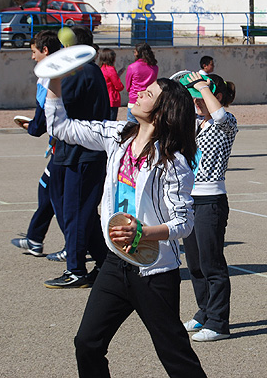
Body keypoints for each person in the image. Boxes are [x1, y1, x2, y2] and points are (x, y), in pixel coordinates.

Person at [44, 76, 207, 377]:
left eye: (148, 94)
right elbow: (61, 127)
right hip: (115, 264)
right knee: (87, 344)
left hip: (154, 272)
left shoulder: (173, 162)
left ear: (162, 111)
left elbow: (184, 223)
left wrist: (143, 232)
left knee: (175, 355)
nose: (139, 94)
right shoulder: (118, 135)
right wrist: (55, 78)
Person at [44, 26, 110, 288]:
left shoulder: (80, 72)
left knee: (76, 214)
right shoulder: (91, 71)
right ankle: (105, 263)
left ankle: (76, 270)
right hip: (83, 153)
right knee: (84, 214)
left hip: (81, 154)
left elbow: (57, 108)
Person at [180, 72, 238, 342]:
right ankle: (204, 312)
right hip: (190, 200)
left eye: (202, 98)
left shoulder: (226, 123)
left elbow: (221, 116)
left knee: (212, 263)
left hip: (211, 201)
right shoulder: (196, 124)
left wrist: (203, 86)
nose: (197, 102)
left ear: (218, 96)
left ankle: (219, 322)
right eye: (195, 98)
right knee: (194, 263)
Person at [11, 30, 65, 257]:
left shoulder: (48, 75)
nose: (32, 57)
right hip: (63, 143)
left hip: (66, 146)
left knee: (59, 197)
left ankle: (77, 247)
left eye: (34, 52)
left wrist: (30, 127)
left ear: (45, 50)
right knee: (49, 191)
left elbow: (42, 120)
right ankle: (35, 239)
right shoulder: (65, 69)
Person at [125, 42, 159, 123]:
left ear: (138, 53)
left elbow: (128, 87)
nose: (134, 54)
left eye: (135, 52)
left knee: (131, 126)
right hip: (148, 101)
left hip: (134, 101)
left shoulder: (132, 67)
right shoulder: (155, 67)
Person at [97, 48, 124, 121]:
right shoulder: (110, 69)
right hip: (112, 99)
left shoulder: (100, 68)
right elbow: (119, 86)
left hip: (103, 99)